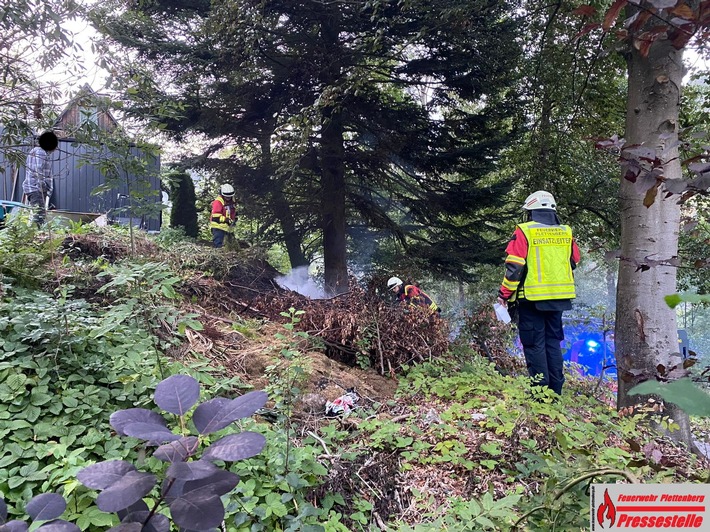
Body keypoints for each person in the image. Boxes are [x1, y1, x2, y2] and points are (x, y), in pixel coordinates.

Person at [497, 190, 581, 395]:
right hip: (559, 299)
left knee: (535, 345)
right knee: (552, 344)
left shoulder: (524, 231)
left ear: (530, 212)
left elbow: (514, 267)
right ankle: (555, 392)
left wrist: (504, 294)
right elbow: (575, 260)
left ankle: (540, 394)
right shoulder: (566, 232)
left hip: (532, 300)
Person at [23, 131, 58, 226]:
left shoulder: (34, 151)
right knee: (39, 217)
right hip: (37, 189)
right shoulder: (40, 152)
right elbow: (37, 171)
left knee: (37, 215)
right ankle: (34, 238)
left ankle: (32, 235)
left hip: (32, 188)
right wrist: (42, 187)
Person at [210, 183, 236, 248]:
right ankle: (216, 255)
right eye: (226, 196)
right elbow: (215, 217)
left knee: (230, 245)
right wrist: (226, 220)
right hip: (218, 227)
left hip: (227, 228)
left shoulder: (232, 202)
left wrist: (233, 219)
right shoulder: (218, 202)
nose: (228, 198)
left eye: (230, 196)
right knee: (218, 244)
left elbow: (232, 212)